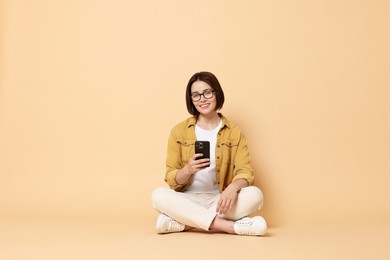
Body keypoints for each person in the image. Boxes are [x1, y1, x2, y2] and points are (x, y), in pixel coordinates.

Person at [151, 71, 267, 236]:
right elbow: (171, 178)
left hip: (220, 200)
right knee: (158, 195)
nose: (202, 99)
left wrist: (233, 188)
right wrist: (188, 170)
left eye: (207, 92)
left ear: (216, 93)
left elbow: (245, 172)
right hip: (187, 199)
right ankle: (231, 227)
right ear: (191, 99)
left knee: (256, 195)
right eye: (196, 95)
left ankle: (183, 223)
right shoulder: (178, 132)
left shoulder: (234, 132)